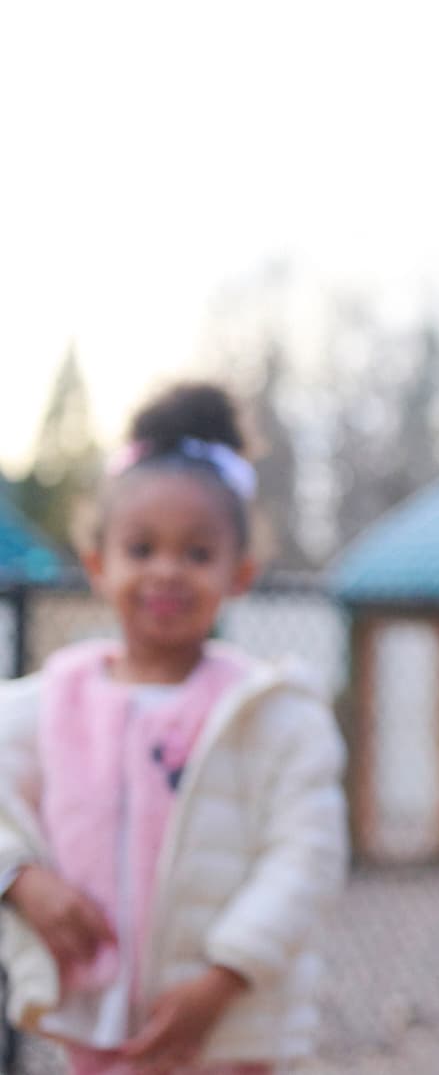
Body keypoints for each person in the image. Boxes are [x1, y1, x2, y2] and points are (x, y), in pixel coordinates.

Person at [0, 383, 348, 1074]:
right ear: (98, 563)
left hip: (231, 1033)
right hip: (97, 1030)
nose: (167, 569)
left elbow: (305, 858)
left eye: (196, 553)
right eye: (141, 547)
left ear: (239, 572)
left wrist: (225, 978)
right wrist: (21, 879)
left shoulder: (273, 714)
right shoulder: (48, 705)